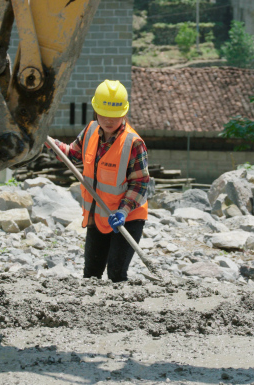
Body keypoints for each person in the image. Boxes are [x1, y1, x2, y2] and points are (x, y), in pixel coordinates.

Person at [51, 79, 149, 283]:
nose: (109, 120)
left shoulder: (133, 143)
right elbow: (72, 155)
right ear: (96, 110)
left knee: (116, 273)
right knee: (91, 273)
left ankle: (120, 311)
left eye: (115, 116)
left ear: (124, 113)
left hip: (126, 217)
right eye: (104, 114)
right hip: (98, 214)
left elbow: (140, 183)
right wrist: (50, 142)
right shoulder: (90, 131)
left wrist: (123, 211)